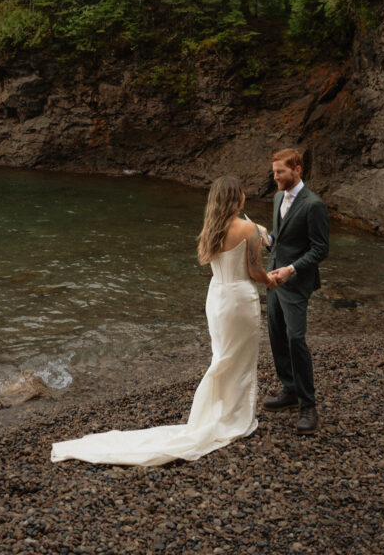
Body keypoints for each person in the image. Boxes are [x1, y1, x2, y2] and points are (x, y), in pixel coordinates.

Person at [51, 175, 273, 466]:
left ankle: (217, 412)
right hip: (240, 299)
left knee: (222, 356)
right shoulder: (249, 229)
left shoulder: (211, 228)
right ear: (237, 198)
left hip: (217, 297)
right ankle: (234, 417)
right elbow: (256, 272)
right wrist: (273, 279)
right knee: (239, 360)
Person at [262, 148, 329, 435]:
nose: (275, 177)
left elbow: (320, 249)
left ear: (298, 169)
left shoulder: (314, 205)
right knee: (276, 333)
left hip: (296, 282)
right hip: (274, 278)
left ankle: (307, 405)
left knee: (296, 338)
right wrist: (267, 239)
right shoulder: (278, 197)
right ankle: (289, 389)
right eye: (274, 171)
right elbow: (282, 238)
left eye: (280, 172)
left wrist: (291, 269)